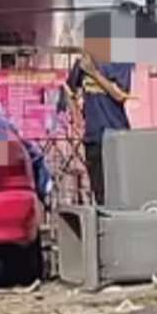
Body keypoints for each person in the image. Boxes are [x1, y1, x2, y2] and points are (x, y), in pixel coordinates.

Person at [66, 33, 132, 207]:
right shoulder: (83, 63)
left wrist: (94, 74)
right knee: (99, 192)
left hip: (117, 135)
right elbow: (68, 89)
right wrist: (77, 115)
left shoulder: (119, 63)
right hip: (93, 137)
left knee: (120, 192)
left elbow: (120, 95)